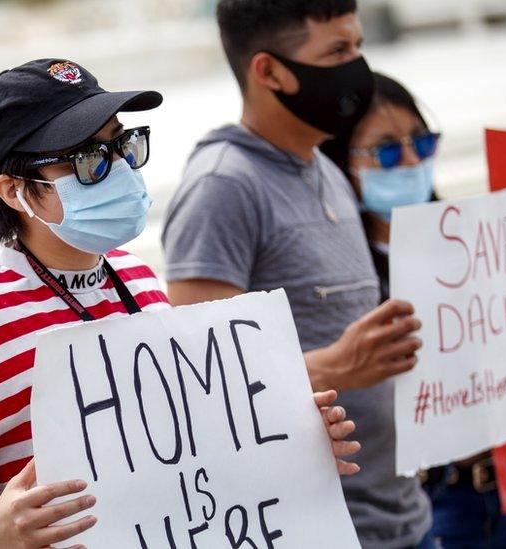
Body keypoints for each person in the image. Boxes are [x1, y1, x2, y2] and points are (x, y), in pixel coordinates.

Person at [0, 58, 362, 549]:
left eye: (121, 144)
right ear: (14, 191)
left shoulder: (136, 277)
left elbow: (188, 457)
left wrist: (287, 444)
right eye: (86, 159)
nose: (117, 167)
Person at [160, 1, 434, 547]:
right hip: (320, 531)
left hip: (406, 518)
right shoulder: (222, 187)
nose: (357, 67)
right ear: (269, 71)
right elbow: (199, 392)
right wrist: (334, 366)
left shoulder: (326, 169)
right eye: (337, 51)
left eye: (357, 45)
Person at [320, 71, 506, 549]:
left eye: (423, 141)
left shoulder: (471, 246)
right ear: (341, 163)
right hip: (424, 506)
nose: (413, 160)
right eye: (388, 150)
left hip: (497, 494)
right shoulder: (338, 278)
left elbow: (497, 375)